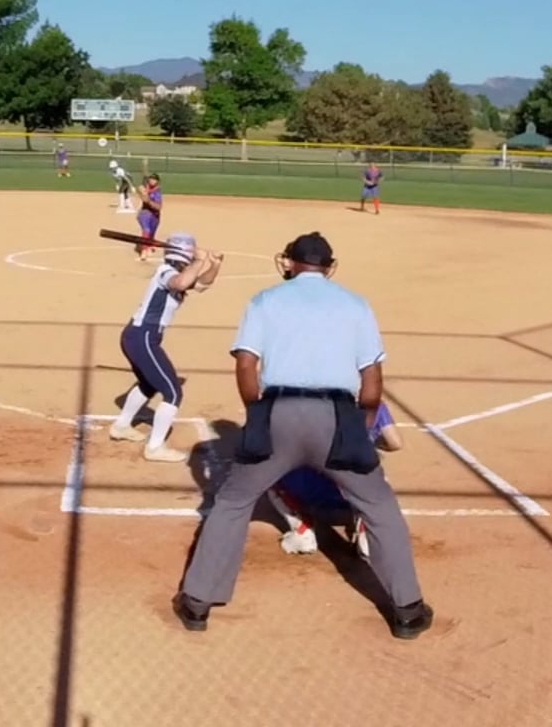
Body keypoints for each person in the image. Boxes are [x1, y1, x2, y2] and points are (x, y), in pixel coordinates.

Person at [174, 232, 433, 639]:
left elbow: (246, 365)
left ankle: (197, 603)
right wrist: (361, 429)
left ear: (290, 263)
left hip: (279, 410)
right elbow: (371, 382)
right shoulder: (355, 304)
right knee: (379, 505)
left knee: (233, 502)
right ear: (329, 267)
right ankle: (408, 610)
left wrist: (257, 414)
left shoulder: (265, 300)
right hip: (338, 415)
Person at [109, 232, 223, 463]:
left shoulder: (178, 273)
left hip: (140, 337)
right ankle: (154, 448)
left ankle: (121, 427)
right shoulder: (165, 272)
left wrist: (214, 264)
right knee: (173, 392)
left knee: (148, 385)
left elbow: (202, 285)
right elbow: (181, 283)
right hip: (143, 336)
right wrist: (199, 261)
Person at [269, 402, 403, 558]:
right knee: (375, 475)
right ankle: (366, 529)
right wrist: (372, 445)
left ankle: (302, 530)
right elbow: (395, 443)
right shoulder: (374, 404)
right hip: (354, 493)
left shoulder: (313, 403)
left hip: (312, 492)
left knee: (272, 473)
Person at [135, 173, 163, 262]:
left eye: (154, 179)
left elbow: (158, 207)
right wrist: (141, 192)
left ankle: (149, 245)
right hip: (145, 213)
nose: (152, 181)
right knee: (146, 230)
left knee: (152, 233)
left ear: (157, 181)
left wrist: (149, 202)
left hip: (155, 215)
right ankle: (144, 251)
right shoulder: (145, 188)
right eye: (151, 179)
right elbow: (139, 188)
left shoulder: (157, 193)